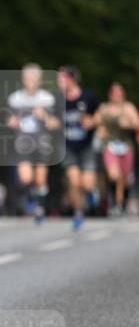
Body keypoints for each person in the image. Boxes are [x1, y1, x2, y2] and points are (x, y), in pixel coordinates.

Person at [6, 63, 60, 222]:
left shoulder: (47, 99)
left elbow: (56, 124)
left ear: (39, 80)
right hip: (22, 143)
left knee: (41, 180)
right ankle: (31, 199)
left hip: (42, 143)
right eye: (27, 77)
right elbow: (8, 120)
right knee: (25, 178)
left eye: (34, 78)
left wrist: (44, 116)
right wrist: (11, 122)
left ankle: (40, 208)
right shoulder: (15, 99)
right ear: (23, 79)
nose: (30, 81)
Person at [57, 65, 99, 229]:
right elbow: (53, 120)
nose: (59, 82)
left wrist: (92, 122)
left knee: (87, 184)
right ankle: (78, 213)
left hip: (87, 146)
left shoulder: (88, 96)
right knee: (74, 182)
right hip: (69, 147)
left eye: (61, 78)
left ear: (71, 79)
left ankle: (91, 193)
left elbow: (99, 114)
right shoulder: (58, 99)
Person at [93, 83, 139, 216]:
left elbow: (137, 124)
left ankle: (122, 203)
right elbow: (95, 121)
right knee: (114, 175)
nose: (116, 96)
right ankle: (114, 203)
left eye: (119, 93)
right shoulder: (104, 108)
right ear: (110, 94)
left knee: (125, 179)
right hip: (110, 146)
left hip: (126, 146)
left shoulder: (128, 108)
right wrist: (99, 129)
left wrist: (129, 124)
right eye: (114, 93)